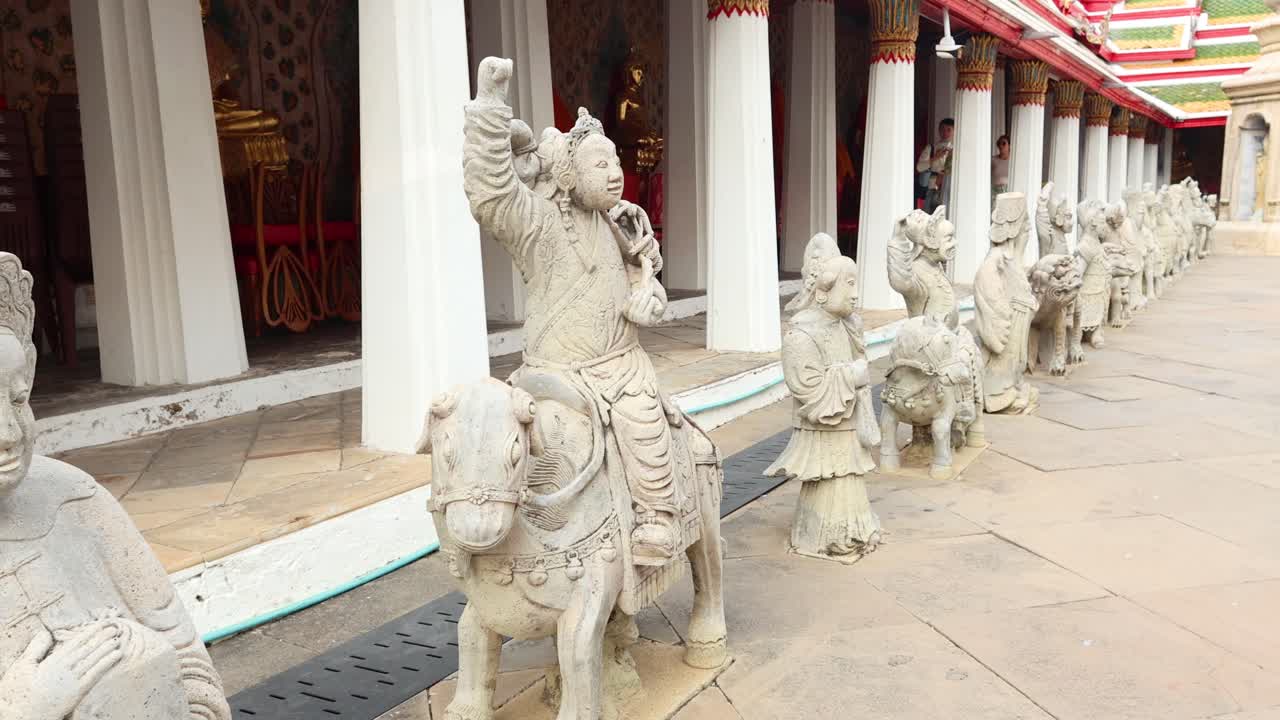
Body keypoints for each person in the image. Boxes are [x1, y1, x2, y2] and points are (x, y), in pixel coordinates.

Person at [463, 58, 708, 564]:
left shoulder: (622, 225)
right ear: (570, 173)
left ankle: (656, 515)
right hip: (552, 372)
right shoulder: (540, 225)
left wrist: (649, 298)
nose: (616, 174)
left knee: (643, 419)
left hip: (619, 368)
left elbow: (649, 285)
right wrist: (489, 108)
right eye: (601, 165)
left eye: (616, 163)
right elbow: (491, 194)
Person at [0, 252, 231, 720]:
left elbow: (195, 673)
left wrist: (146, 674)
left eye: (18, 399)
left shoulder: (74, 498)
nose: (8, 433)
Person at [916, 118, 954, 215]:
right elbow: (919, 167)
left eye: (949, 129)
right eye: (942, 129)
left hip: (950, 187)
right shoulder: (931, 148)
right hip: (932, 187)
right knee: (929, 216)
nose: (945, 132)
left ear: (954, 131)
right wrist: (935, 157)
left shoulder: (955, 149)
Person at [992, 134, 1011, 204]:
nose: (1001, 146)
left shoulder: (1014, 161)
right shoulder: (993, 160)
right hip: (995, 193)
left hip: (1009, 192)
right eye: (999, 144)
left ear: (1009, 145)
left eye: (1004, 143)